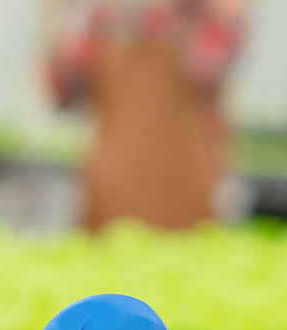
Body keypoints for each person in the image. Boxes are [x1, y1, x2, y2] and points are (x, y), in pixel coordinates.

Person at [46, 0, 247, 229]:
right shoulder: (99, 16)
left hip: (187, 182)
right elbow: (61, 90)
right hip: (111, 184)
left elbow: (211, 69)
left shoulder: (206, 15)